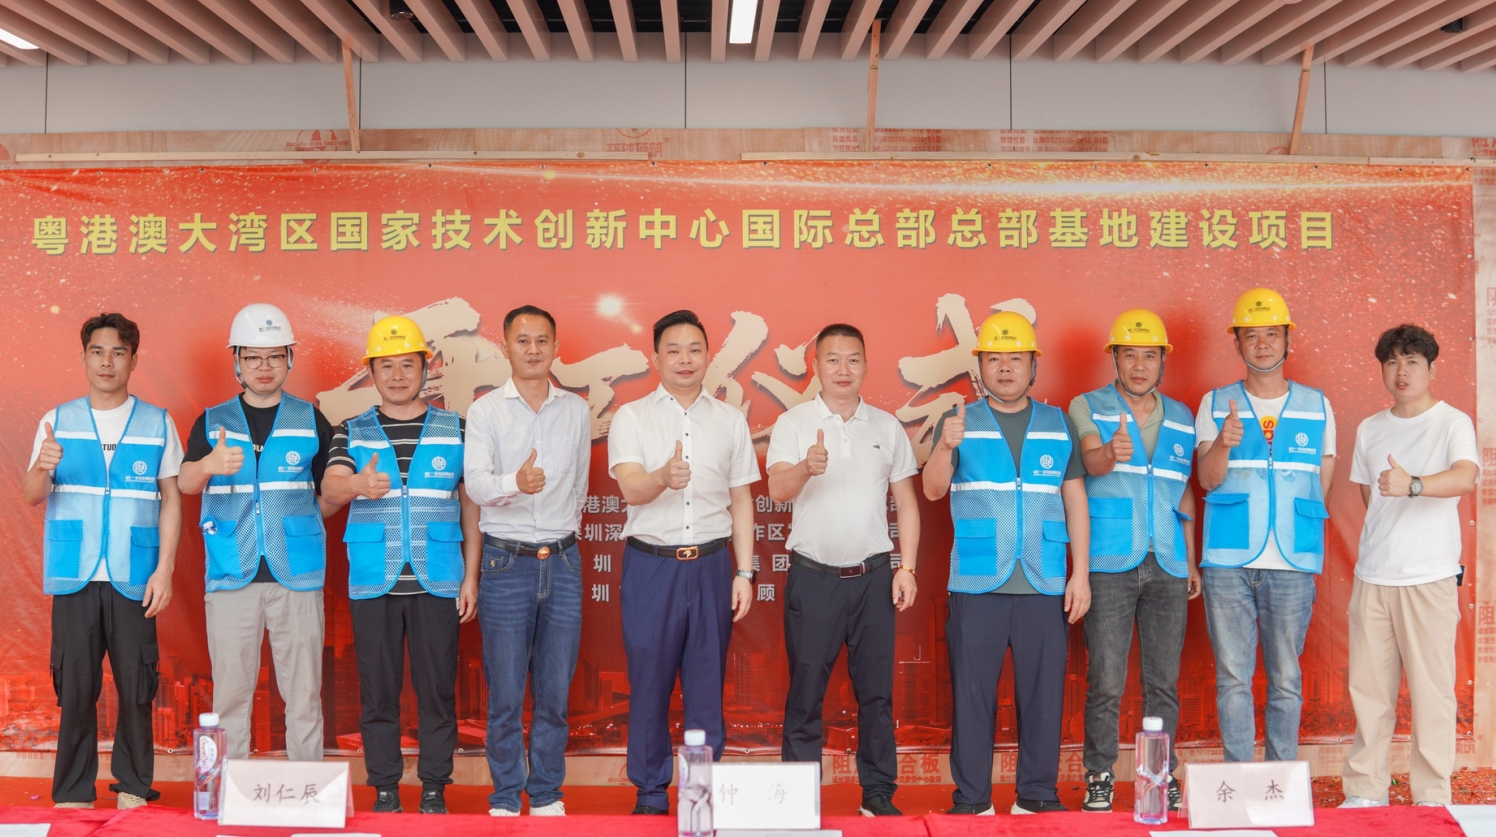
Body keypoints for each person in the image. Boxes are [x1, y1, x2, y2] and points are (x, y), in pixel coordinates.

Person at [922, 311, 1090, 816]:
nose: (1005, 368)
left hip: (1044, 581)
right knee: (972, 698)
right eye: (994, 359)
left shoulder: (1057, 424)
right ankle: (972, 800)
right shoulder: (958, 422)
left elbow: (1075, 498)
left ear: (1033, 365)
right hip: (977, 582)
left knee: (1043, 698)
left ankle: (1037, 795)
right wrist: (945, 447)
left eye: (1015, 358)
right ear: (980, 368)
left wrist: (1080, 575)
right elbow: (933, 490)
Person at [22, 313, 183, 809]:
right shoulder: (57, 421)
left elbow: (172, 499)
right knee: (75, 687)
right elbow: (32, 494)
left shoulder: (157, 422)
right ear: (83, 357)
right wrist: (42, 466)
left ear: (133, 360)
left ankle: (133, 786)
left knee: (137, 686)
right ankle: (73, 792)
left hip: (136, 574)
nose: (106, 361)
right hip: (75, 574)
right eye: (97, 351)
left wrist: (165, 569)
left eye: (117, 352)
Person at [322, 316, 481, 814]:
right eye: (385, 366)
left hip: (439, 580)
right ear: (371, 372)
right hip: (375, 580)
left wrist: (471, 575)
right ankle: (385, 788)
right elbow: (329, 488)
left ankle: (434, 787)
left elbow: (472, 505)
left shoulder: (457, 429)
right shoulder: (352, 431)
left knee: (437, 691)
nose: (396, 376)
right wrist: (356, 485)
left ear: (426, 369)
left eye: (407, 365)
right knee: (378, 693)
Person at [767, 323, 921, 818]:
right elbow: (777, 490)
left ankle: (878, 794)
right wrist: (805, 467)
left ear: (866, 366)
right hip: (814, 579)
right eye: (832, 359)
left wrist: (907, 567)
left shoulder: (886, 426)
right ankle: (798, 801)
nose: (842, 369)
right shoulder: (794, 423)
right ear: (816, 366)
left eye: (853, 359)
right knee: (806, 693)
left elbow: (907, 502)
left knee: (876, 695)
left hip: (874, 578)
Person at [608, 310, 758, 815]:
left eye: (694, 349)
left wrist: (744, 572)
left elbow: (742, 500)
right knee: (649, 684)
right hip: (652, 566)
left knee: (706, 685)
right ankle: (650, 794)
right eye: (673, 350)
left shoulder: (730, 420)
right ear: (656, 358)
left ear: (709, 356)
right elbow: (631, 487)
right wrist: (661, 478)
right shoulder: (632, 417)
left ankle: (699, 796)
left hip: (713, 565)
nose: (685, 359)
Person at [176, 303, 334, 763]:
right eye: (253, 357)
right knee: (230, 696)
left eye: (275, 356)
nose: (264, 367)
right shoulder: (212, 421)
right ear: (237, 362)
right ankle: (228, 791)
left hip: (297, 576)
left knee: (304, 695)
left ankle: (307, 789)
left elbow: (331, 490)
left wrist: (303, 521)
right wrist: (209, 464)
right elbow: (185, 483)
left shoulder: (311, 420)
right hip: (231, 572)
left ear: (289, 359)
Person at [1339, 325, 1476, 808]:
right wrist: (1396, 500)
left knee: (1432, 694)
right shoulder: (1371, 428)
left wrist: (1413, 484)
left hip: (1428, 578)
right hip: (1373, 577)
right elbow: (1369, 496)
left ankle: (1432, 794)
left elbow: (1465, 477)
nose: (1402, 371)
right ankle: (1365, 790)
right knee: (1369, 692)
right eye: (1392, 362)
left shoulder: (1452, 422)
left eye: (1412, 362)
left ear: (1431, 369)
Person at [1196, 288, 1335, 764]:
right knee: (1233, 677)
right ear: (1236, 342)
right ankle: (1238, 778)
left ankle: (1281, 781)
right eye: (1251, 335)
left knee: (1286, 679)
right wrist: (1223, 444)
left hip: (1292, 561)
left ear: (1287, 340)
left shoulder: (1317, 405)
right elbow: (1207, 479)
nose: (1262, 344)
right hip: (1228, 560)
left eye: (1271, 334)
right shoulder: (1216, 403)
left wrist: (1297, 526)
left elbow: (1323, 479)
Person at [464, 306, 591, 816]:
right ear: (506, 347)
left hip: (562, 560)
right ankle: (504, 794)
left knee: (555, 691)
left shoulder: (576, 410)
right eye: (523, 341)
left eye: (542, 340)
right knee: (505, 692)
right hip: (506, 561)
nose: (533, 349)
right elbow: (476, 486)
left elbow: (580, 485)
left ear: (556, 347)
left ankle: (545, 793)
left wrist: (562, 533)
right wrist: (515, 483)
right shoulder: (486, 411)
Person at [1071, 310, 1197, 813]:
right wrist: (1110, 453)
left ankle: (1159, 776)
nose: (1140, 365)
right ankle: (1100, 774)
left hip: (1167, 561)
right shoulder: (1087, 405)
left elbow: (1183, 491)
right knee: (1105, 679)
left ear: (1163, 360)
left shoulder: (1183, 416)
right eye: (1130, 355)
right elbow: (1090, 462)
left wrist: (1191, 561)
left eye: (1149, 355)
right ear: (1115, 359)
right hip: (1108, 561)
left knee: (1162, 682)